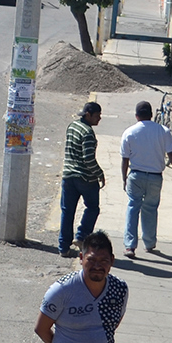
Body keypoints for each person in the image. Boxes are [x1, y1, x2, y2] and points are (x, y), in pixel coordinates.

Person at [118, 100, 172, 258]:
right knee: (151, 209)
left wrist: (124, 178)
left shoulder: (129, 132)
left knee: (133, 208)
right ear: (151, 115)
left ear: (136, 116)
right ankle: (149, 243)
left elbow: (125, 159)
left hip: (135, 175)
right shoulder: (163, 131)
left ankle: (130, 246)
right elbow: (171, 154)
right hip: (155, 177)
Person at [59, 102, 105, 255]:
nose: (99, 119)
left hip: (68, 176)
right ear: (88, 115)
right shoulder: (88, 133)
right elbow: (88, 159)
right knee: (92, 208)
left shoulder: (72, 126)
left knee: (67, 211)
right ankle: (82, 236)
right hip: (85, 178)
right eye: (97, 116)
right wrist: (99, 173)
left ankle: (63, 247)